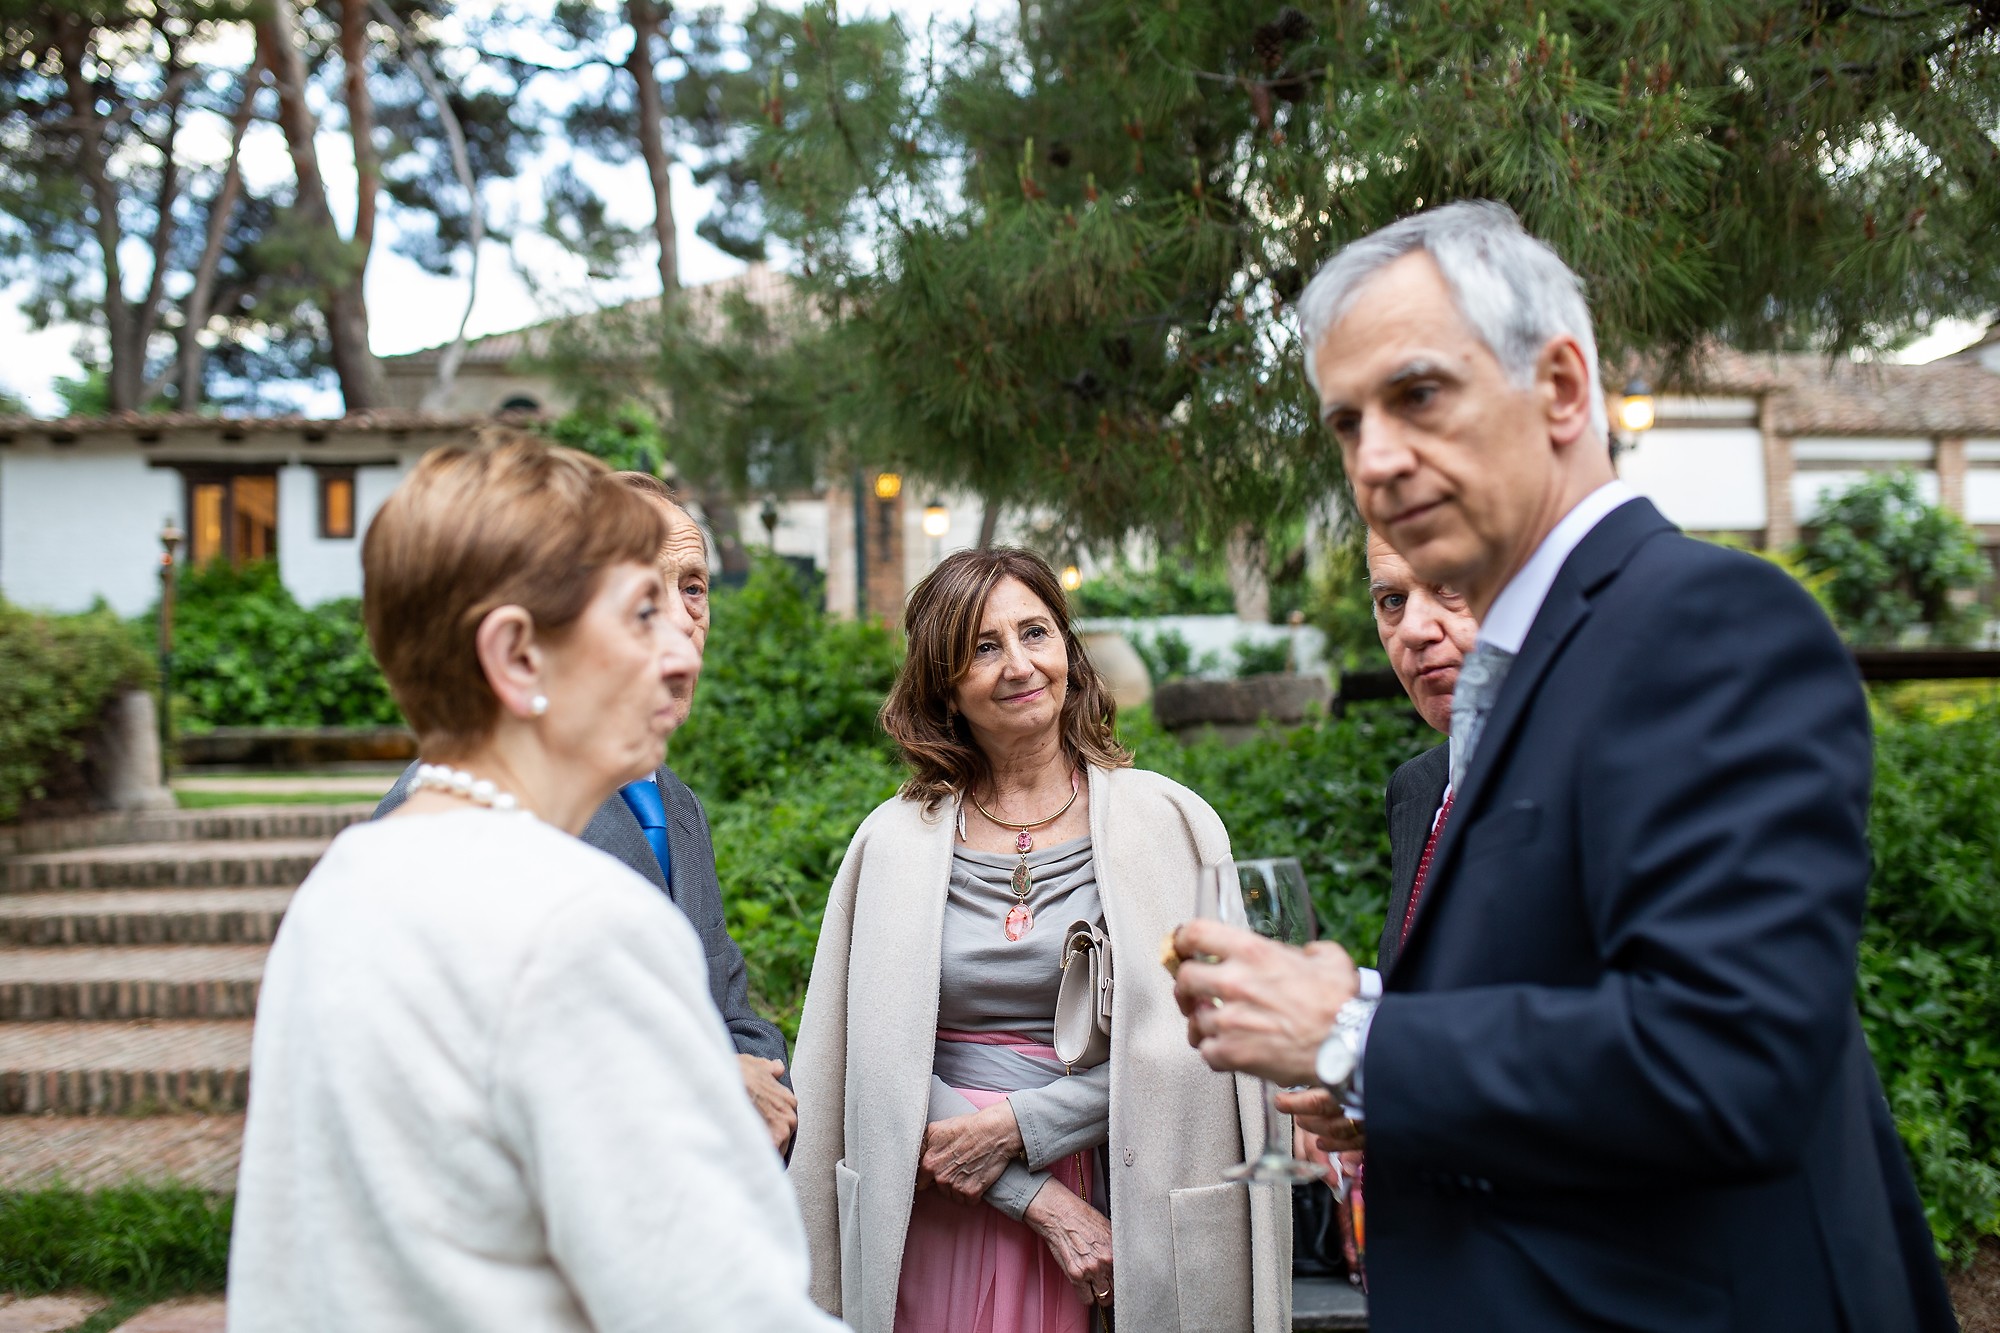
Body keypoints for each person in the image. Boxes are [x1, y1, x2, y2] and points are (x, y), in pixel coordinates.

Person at [1173, 201, 1956, 1333]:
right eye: (1346, 424)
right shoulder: (1516, 675)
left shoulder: (1707, 620)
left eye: (1417, 395)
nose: (1376, 459)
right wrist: (1374, 1074)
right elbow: (1564, 996)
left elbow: (1726, 1060)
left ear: (1558, 386)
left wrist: (1355, 1032)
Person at [229, 429, 839, 1332]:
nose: (681, 653)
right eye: (638, 614)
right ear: (517, 656)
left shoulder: (343, 884)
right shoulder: (571, 923)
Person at [788, 547, 1289, 1333]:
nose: (1019, 664)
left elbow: (1205, 1041)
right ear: (942, 684)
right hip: (933, 1208)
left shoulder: (1171, 825)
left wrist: (1027, 1126)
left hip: (1119, 1198)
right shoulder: (890, 843)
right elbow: (869, 1055)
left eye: (1036, 632)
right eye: (983, 647)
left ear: (1068, 650)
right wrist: (1029, 1192)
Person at [375, 471, 796, 1152]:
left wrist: (768, 1100)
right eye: (641, 599)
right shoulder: (445, 822)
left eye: (693, 586)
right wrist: (713, 1080)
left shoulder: (679, 805)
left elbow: (727, 1001)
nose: (681, 621)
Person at [1282, 531, 1479, 1237]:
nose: (1416, 631)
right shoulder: (1418, 787)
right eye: (1391, 600)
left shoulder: (1606, 769)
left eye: (1449, 586)